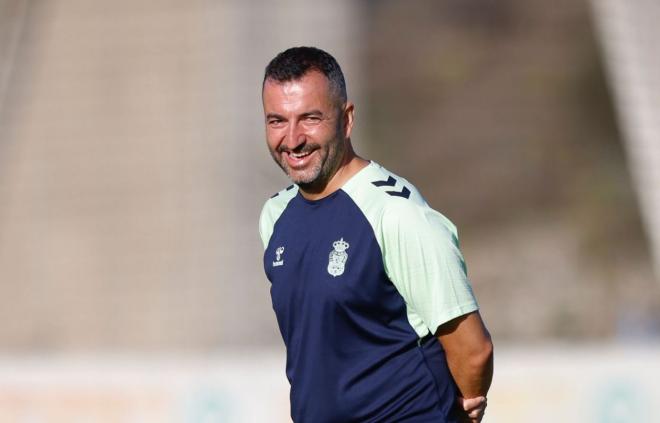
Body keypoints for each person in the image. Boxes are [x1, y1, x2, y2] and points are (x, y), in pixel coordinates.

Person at [259, 46, 493, 423]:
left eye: (310, 118)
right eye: (276, 121)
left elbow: (473, 349)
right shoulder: (275, 216)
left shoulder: (397, 213)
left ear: (346, 119)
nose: (293, 138)